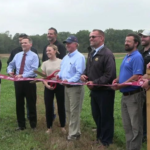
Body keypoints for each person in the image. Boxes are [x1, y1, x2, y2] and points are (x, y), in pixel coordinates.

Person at [81, 29, 116, 149]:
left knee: (105, 117)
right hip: (94, 91)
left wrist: (94, 82)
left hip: (105, 92)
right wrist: (84, 75)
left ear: (101, 38)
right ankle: (99, 138)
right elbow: (88, 69)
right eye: (90, 37)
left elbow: (109, 75)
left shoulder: (107, 54)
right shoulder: (91, 53)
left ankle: (106, 142)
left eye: (93, 37)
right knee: (97, 116)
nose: (90, 39)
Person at [112, 33, 144, 150]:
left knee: (135, 126)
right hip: (125, 96)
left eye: (129, 41)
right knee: (127, 126)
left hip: (134, 96)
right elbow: (125, 74)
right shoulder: (127, 56)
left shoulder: (137, 57)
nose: (126, 43)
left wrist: (121, 85)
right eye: (125, 41)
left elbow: (137, 75)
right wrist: (117, 80)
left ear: (136, 43)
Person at [7, 37, 39, 130]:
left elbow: (34, 70)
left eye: (25, 43)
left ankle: (33, 125)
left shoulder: (34, 56)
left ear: (30, 44)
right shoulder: (17, 55)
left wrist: (23, 75)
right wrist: (10, 71)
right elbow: (10, 64)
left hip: (29, 82)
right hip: (18, 82)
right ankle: (21, 125)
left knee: (31, 103)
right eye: (22, 43)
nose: (23, 44)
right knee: (19, 103)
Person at [58, 35, 85, 141]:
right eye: (66, 43)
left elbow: (79, 74)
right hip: (66, 87)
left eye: (69, 43)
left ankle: (73, 135)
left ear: (75, 44)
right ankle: (76, 132)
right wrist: (59, 75)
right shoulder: (65, 57)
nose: (67, 45)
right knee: (68, 110)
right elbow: (62, 70)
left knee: (74, 111)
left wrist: (68, 80)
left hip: (75, 88)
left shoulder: (79, 57)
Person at [42, 27, 66, 120]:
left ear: (55, 35)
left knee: (61, 103)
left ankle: (62, 122)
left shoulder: (60, 46)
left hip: (58, 81)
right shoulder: (46, 46)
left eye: (51, 33)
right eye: (48, 33)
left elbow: (64, 62)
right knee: (48, 104)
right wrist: (45, 78)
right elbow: (44, 60)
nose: (49, 35)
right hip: (47, 78)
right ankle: (50, 120)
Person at [41, 45, 66, 134]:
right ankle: (49, 127)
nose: (47, 52)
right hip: (48, 87)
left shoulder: (62, 62)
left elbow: (65, 74)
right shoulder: (44, 63)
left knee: (61, 106)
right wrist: (47, 85)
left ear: (55, 51)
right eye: (46, 51)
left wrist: (61, 80)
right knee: (48, 107)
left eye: (49, 50)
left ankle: (63, 126)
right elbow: (43, 77)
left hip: (59, 86)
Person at [139, 29, 150, 142]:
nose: (142, 38)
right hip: (141, 86)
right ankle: (143, 134)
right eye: (141, 36)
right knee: (143, 111)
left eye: (145, 36)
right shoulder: (140, 52)